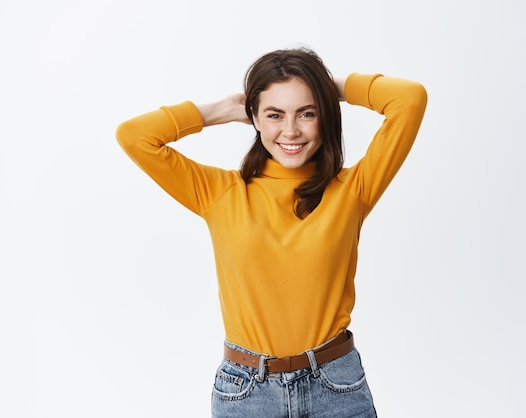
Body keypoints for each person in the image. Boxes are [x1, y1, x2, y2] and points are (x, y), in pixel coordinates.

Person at [116, 47, 427, 417]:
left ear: (324, 117)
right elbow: (134, 135)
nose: (291, 130)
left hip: (336, 386)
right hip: (247, 394)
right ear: (255, 118)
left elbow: (410, 99)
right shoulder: (219, 192)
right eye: (274, 114)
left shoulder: (351, 190)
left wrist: (331, 88)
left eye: (307, 113)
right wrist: (219, 110)